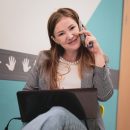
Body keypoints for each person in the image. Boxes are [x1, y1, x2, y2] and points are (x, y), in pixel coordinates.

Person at [22, 8, 113, 130]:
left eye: (72, 28)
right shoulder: (43, 58)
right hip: (53, 124)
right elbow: (27, 96)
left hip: (83, 126)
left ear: (80, 27)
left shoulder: (97, 59)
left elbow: (104, 95)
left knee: (59, 113)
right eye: (61, 33)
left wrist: (97, 53)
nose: (70, 36)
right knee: (53, 115)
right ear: (55, 39)